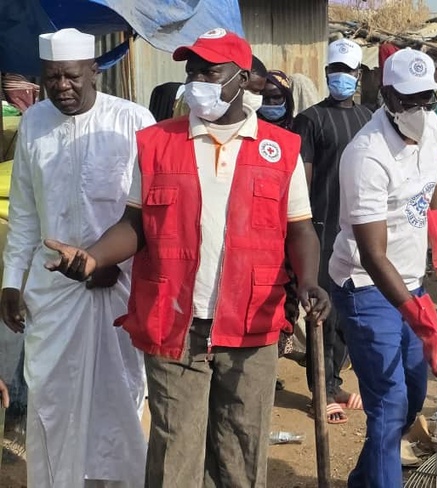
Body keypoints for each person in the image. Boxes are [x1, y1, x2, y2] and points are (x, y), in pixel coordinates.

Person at [42, 29, 330, 487]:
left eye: (209, 71)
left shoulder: (281, 149)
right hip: (174, 322)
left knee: (241, 450)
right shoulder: (156, 142)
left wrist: (311, 281)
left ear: (241, 78)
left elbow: (299, 228)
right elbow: (134, 225)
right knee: (175, 454)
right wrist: (93, 257)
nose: (196, 80)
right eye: (191, 70)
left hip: (251, 323)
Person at [1, 28, 152, 486]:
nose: (62, 86)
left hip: (120, 289)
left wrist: (107, 262)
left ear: (94, 72)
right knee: (53, 397)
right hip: (52, 293)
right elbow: (25, 212)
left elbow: (149, 212)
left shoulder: (133, 121)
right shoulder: (33, 123)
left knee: (119, 397)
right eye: (51, 78)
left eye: (71, 76)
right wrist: (11, 281)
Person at [329, 47, 437, 487]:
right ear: (386, 96)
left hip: (412, 280)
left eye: (428, 98)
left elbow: (436, 176)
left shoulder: (435, 124)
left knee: (415, 393)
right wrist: (423, 322)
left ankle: (364, 479)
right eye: (409, 100)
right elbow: (372, 254)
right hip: (366, 284)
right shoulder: (365, 155)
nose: (421, 109)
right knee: (388, 400)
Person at [291, 38, 372, 424]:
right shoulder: (310, 119)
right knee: (321, 310)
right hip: (322, 226)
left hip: (358, 228)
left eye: (347, 72)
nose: (340, 78)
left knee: (345, 309)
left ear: (358, 76)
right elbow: (302, 179)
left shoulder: (370, 118)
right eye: (334, 72)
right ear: (326, 74)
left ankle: (335, 379)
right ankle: (318, 390)